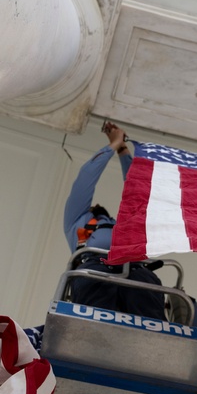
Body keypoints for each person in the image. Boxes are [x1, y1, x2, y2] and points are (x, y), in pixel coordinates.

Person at [62, 121, 165, 319]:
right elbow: (86, 178)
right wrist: (114, 145)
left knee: (149, 317)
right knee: (97, 321)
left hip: (136, 270)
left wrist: (123, 150)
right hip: (94, 269)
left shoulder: (126, 225)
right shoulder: (78, 221)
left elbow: (136, 192)